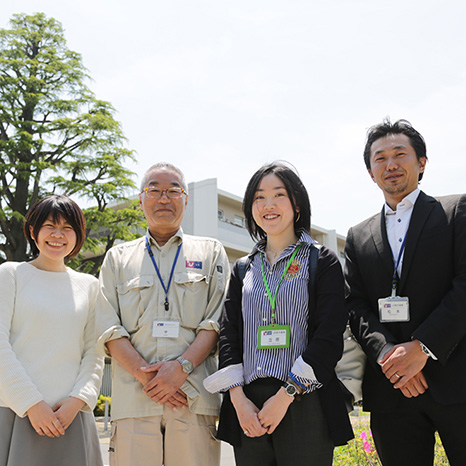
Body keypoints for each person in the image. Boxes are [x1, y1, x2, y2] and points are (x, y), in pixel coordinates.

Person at [204, 162, 353, 466]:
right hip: (248, 403)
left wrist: (285, 396)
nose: (268, 205)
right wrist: (238, 400)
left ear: (297, 204)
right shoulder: (244, 267)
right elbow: (229, 335)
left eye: (278, 195)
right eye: (259, 197)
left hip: (304, 401)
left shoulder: (321, 260)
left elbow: (328, 337)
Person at [345, 119, 466, 466]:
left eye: (400, 154)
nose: (391, 165)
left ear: (422, 162)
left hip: (455, 381)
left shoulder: (456, 210)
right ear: (370, 172)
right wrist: (387, 355)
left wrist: (423, 348)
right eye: (379, 158)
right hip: (392, 390)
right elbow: (355, 305)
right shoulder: (358, 234)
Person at [96, 162, 229, 466]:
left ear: (186, 198)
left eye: (173, 191)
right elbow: (108, 327)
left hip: (192, 399)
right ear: (141, 199)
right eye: (154, 190)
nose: (164, 199)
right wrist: (150, 380)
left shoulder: (210, 252)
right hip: (134, 401)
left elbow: (217, 321)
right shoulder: (117, 258)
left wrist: (180, 369)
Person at [0, 195, 104, 466]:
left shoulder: (89, 286)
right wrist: (32, 403)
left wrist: (78, 401)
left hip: (72, 417)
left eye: (68, 228)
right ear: (33, 231)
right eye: (49, 226)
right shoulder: (10, 275)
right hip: (16, 413)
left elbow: (94, 352)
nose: (58, 235)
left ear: (78, 235)